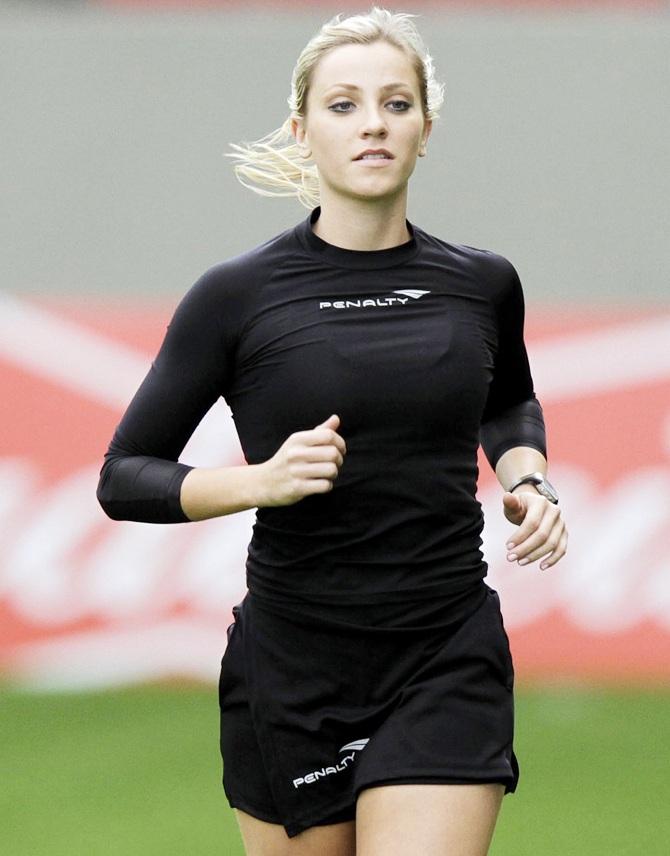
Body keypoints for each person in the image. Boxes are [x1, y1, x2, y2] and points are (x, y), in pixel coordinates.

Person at [97, 6, 568, 855]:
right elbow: (124, 475)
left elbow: (507, 402)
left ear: (427, 129)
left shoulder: (484, 282)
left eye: (396, 103)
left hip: (445, 648)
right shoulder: (236, 295)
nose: (373, 124)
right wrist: (258, 481)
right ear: (302, 129)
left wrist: (526, 478)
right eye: (343, 104)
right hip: (293, 666)